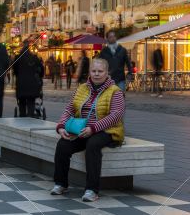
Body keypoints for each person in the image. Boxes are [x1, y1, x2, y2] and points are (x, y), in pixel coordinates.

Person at [51, 58, 125, 202]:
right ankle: (60, 183)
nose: (97, 74)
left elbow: (116, 115)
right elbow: (70, 109)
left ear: (107, 72)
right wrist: (60, 126)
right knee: (63, 145)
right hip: (82, 130)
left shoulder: (115, 92)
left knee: (92, 144)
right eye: (94, 71)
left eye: (100, 71)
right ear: (90, 72)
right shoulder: (81, 89)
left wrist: (93, 128)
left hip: (108, 131)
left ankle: (92, 189)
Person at [13, 40, 44, 117]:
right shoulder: (34, 57)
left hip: (21, 84)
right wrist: (40, 76)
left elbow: (15, 70)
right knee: (31, 101)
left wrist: (19, 76)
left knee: (22, 102)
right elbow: (41, 68)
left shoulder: (18, 58)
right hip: (32, 84)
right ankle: (30, 116)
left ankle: (22, 116)